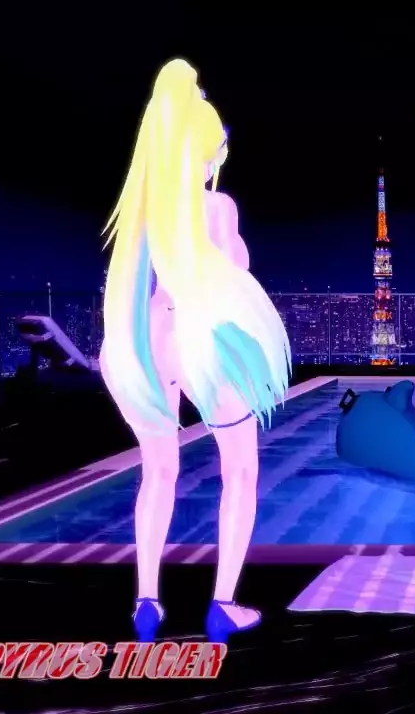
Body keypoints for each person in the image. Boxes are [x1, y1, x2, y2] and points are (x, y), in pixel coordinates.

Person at [99, 58, 291, 644]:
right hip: (203, 335)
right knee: (240, 469)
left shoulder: (144, 212)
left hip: (150, 337)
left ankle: (147, 602)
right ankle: (222, 605)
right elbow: (233, 273)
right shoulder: (217, 207)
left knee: (158, 471)